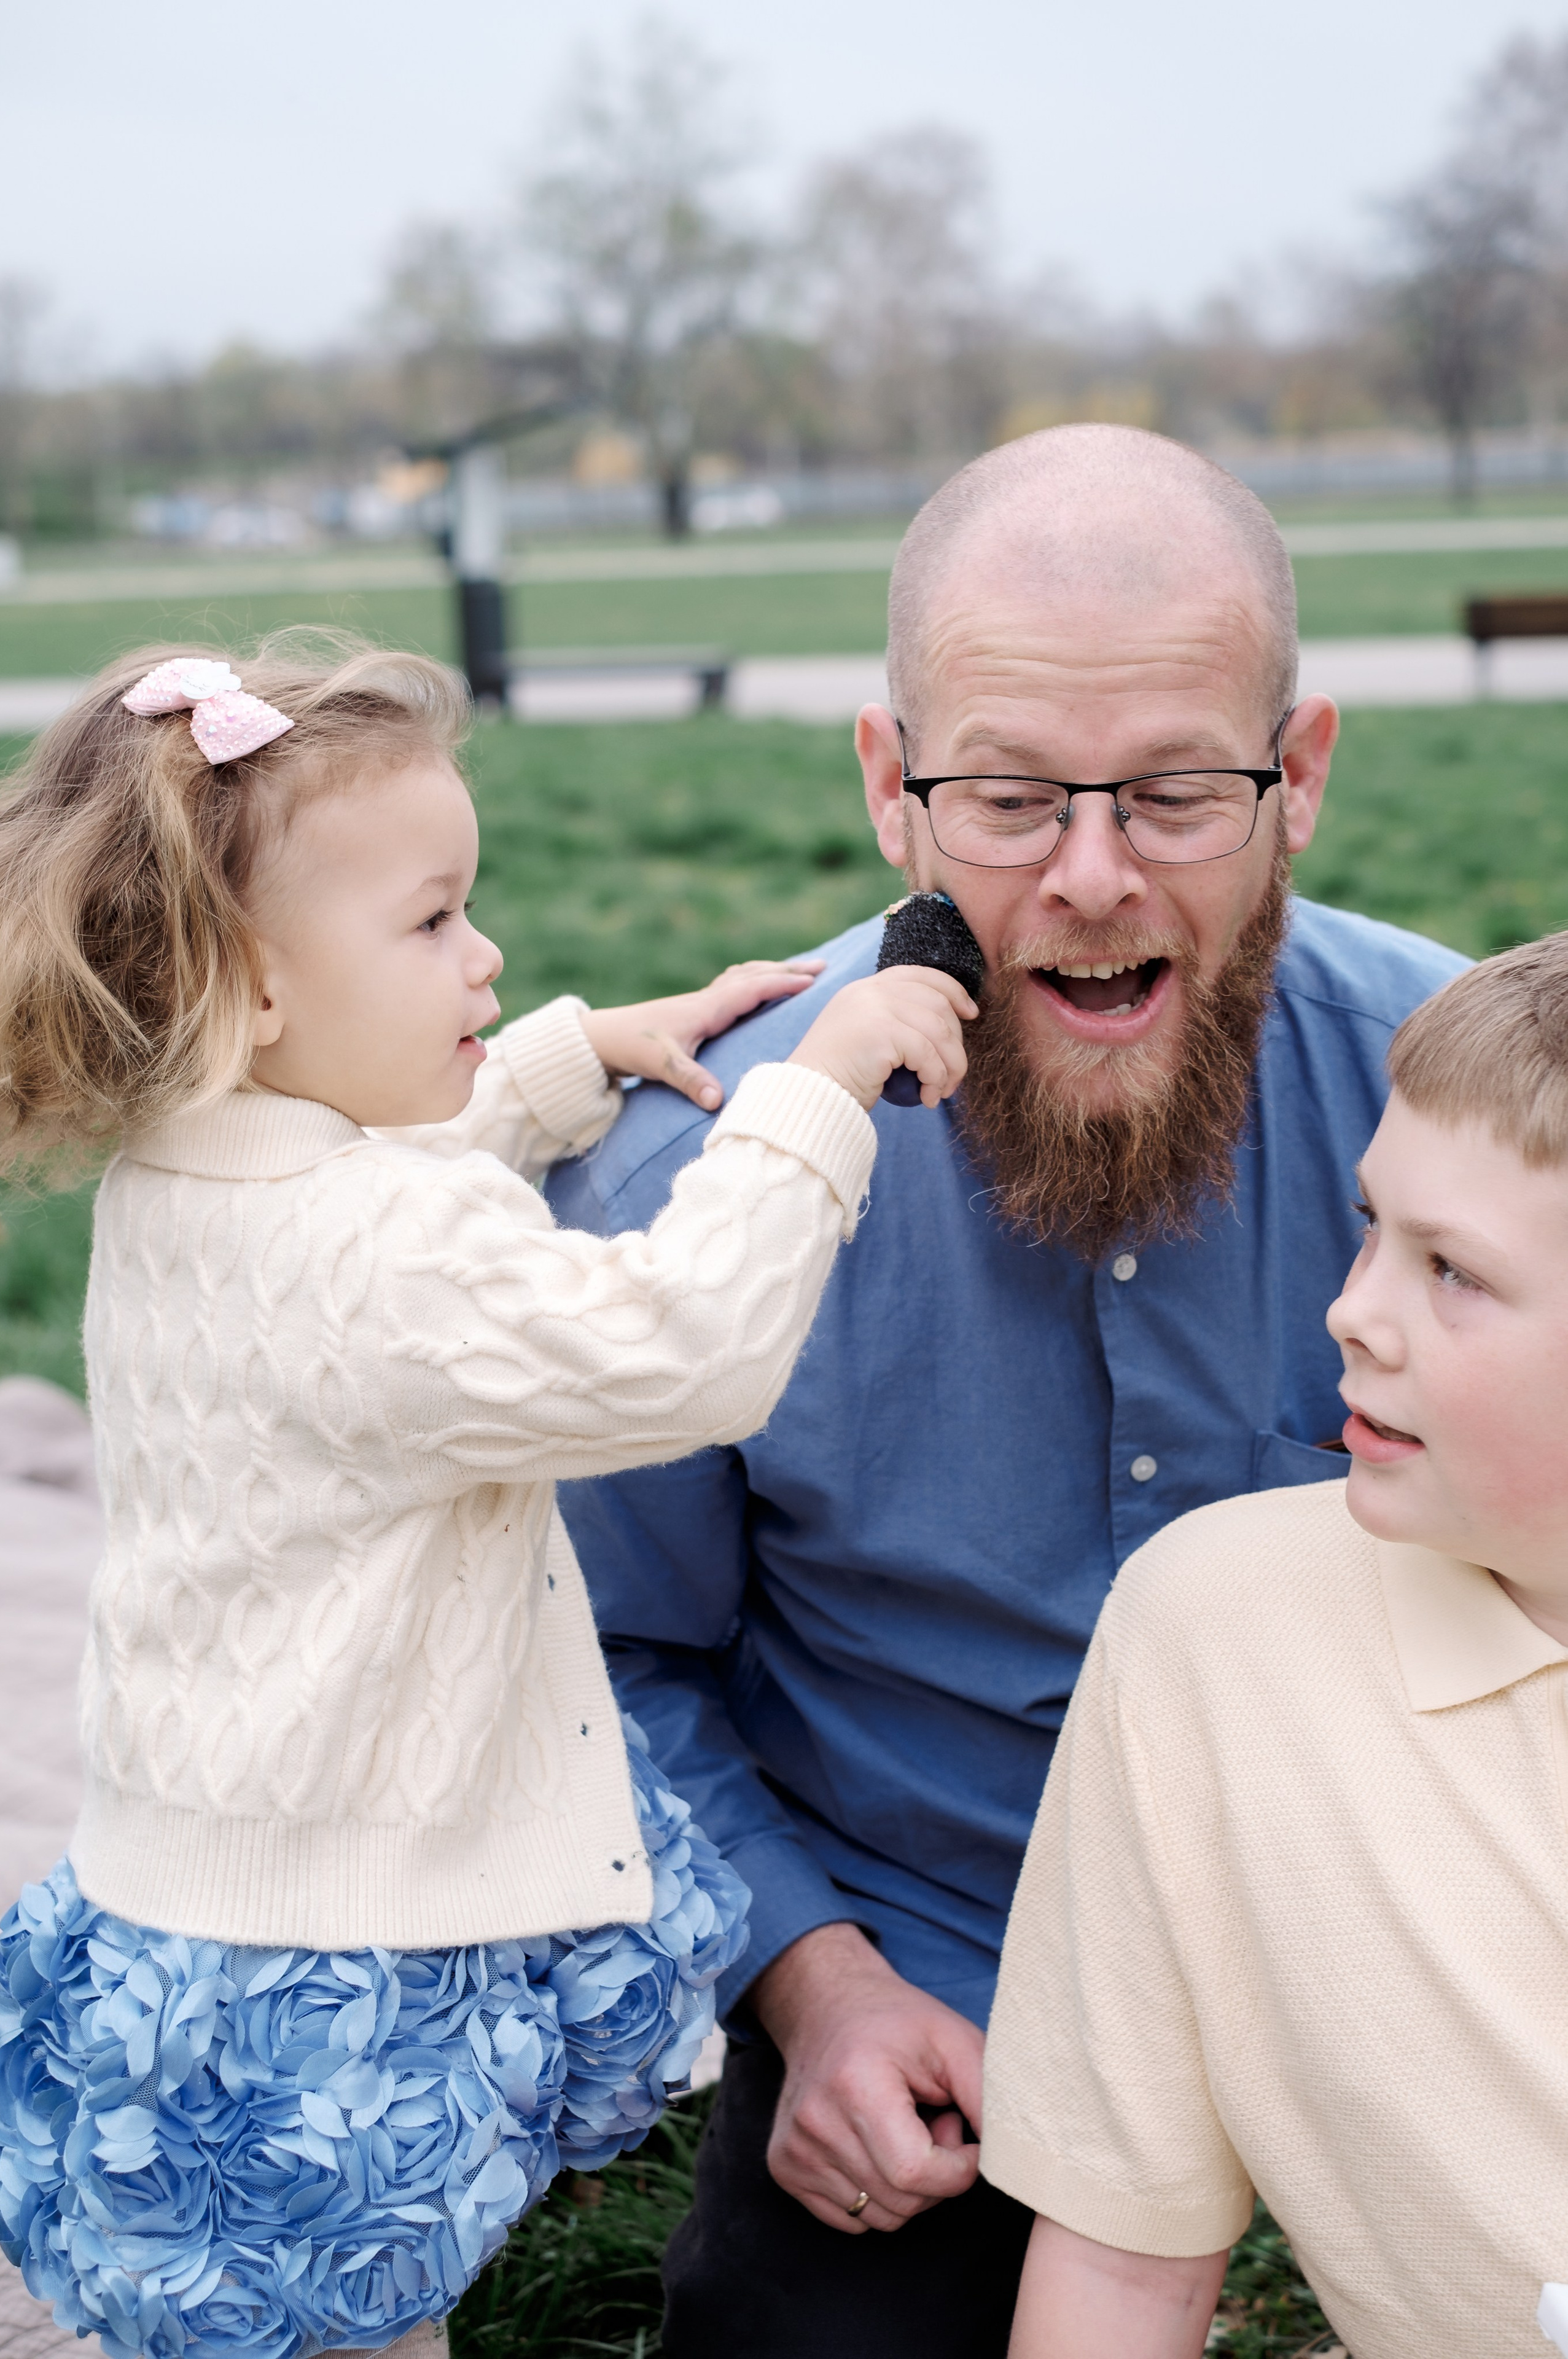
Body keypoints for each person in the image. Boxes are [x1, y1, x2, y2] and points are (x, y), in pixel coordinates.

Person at [543, 422, 1469, 2357]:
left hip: (1421, 1938)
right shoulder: (676, 1198)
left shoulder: (1477, 1128)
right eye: (1013, 798)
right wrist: (812, 1987)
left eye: (1177, 796)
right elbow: (592, 1668)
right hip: (945, 1978)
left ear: (1299, 775)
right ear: (892, 788)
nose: (1092, 878)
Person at [0, 641, 972, 2359]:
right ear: (256, 986)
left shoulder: (193, 1169)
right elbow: (680, 1351)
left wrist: (558, 1062)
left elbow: (380, 1185)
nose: (488, 952)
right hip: (346, 1965)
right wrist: (819, 1093)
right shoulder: (383, 1251)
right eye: (435, 921)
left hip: (200, 1911)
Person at [986, 931, 1568, 2359]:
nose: (1350, 1311)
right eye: (1374, 1227)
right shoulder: (1214, 1631)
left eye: (1453, 1273)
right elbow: (1119, 2266)